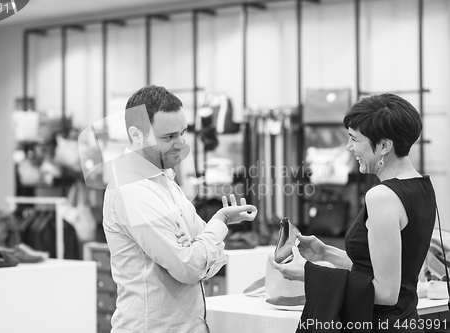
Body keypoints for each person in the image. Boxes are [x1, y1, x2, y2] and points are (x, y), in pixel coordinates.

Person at [271, 93, 436, 332]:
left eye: (354, 139)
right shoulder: (423, 187)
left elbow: (386, 292)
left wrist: (309, 275)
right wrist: (326, 253)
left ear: (383, 145)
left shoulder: (382, 196)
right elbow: (382, 271)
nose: (349, 148)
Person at [102, 85, 257, 333]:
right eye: (168, 137)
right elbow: (190, 267)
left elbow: (211, 263)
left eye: (182, 133)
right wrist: (219, 223)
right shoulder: (132, 189)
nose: (181, 145)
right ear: (137, 134)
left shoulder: (165, 181)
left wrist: (198, 247)